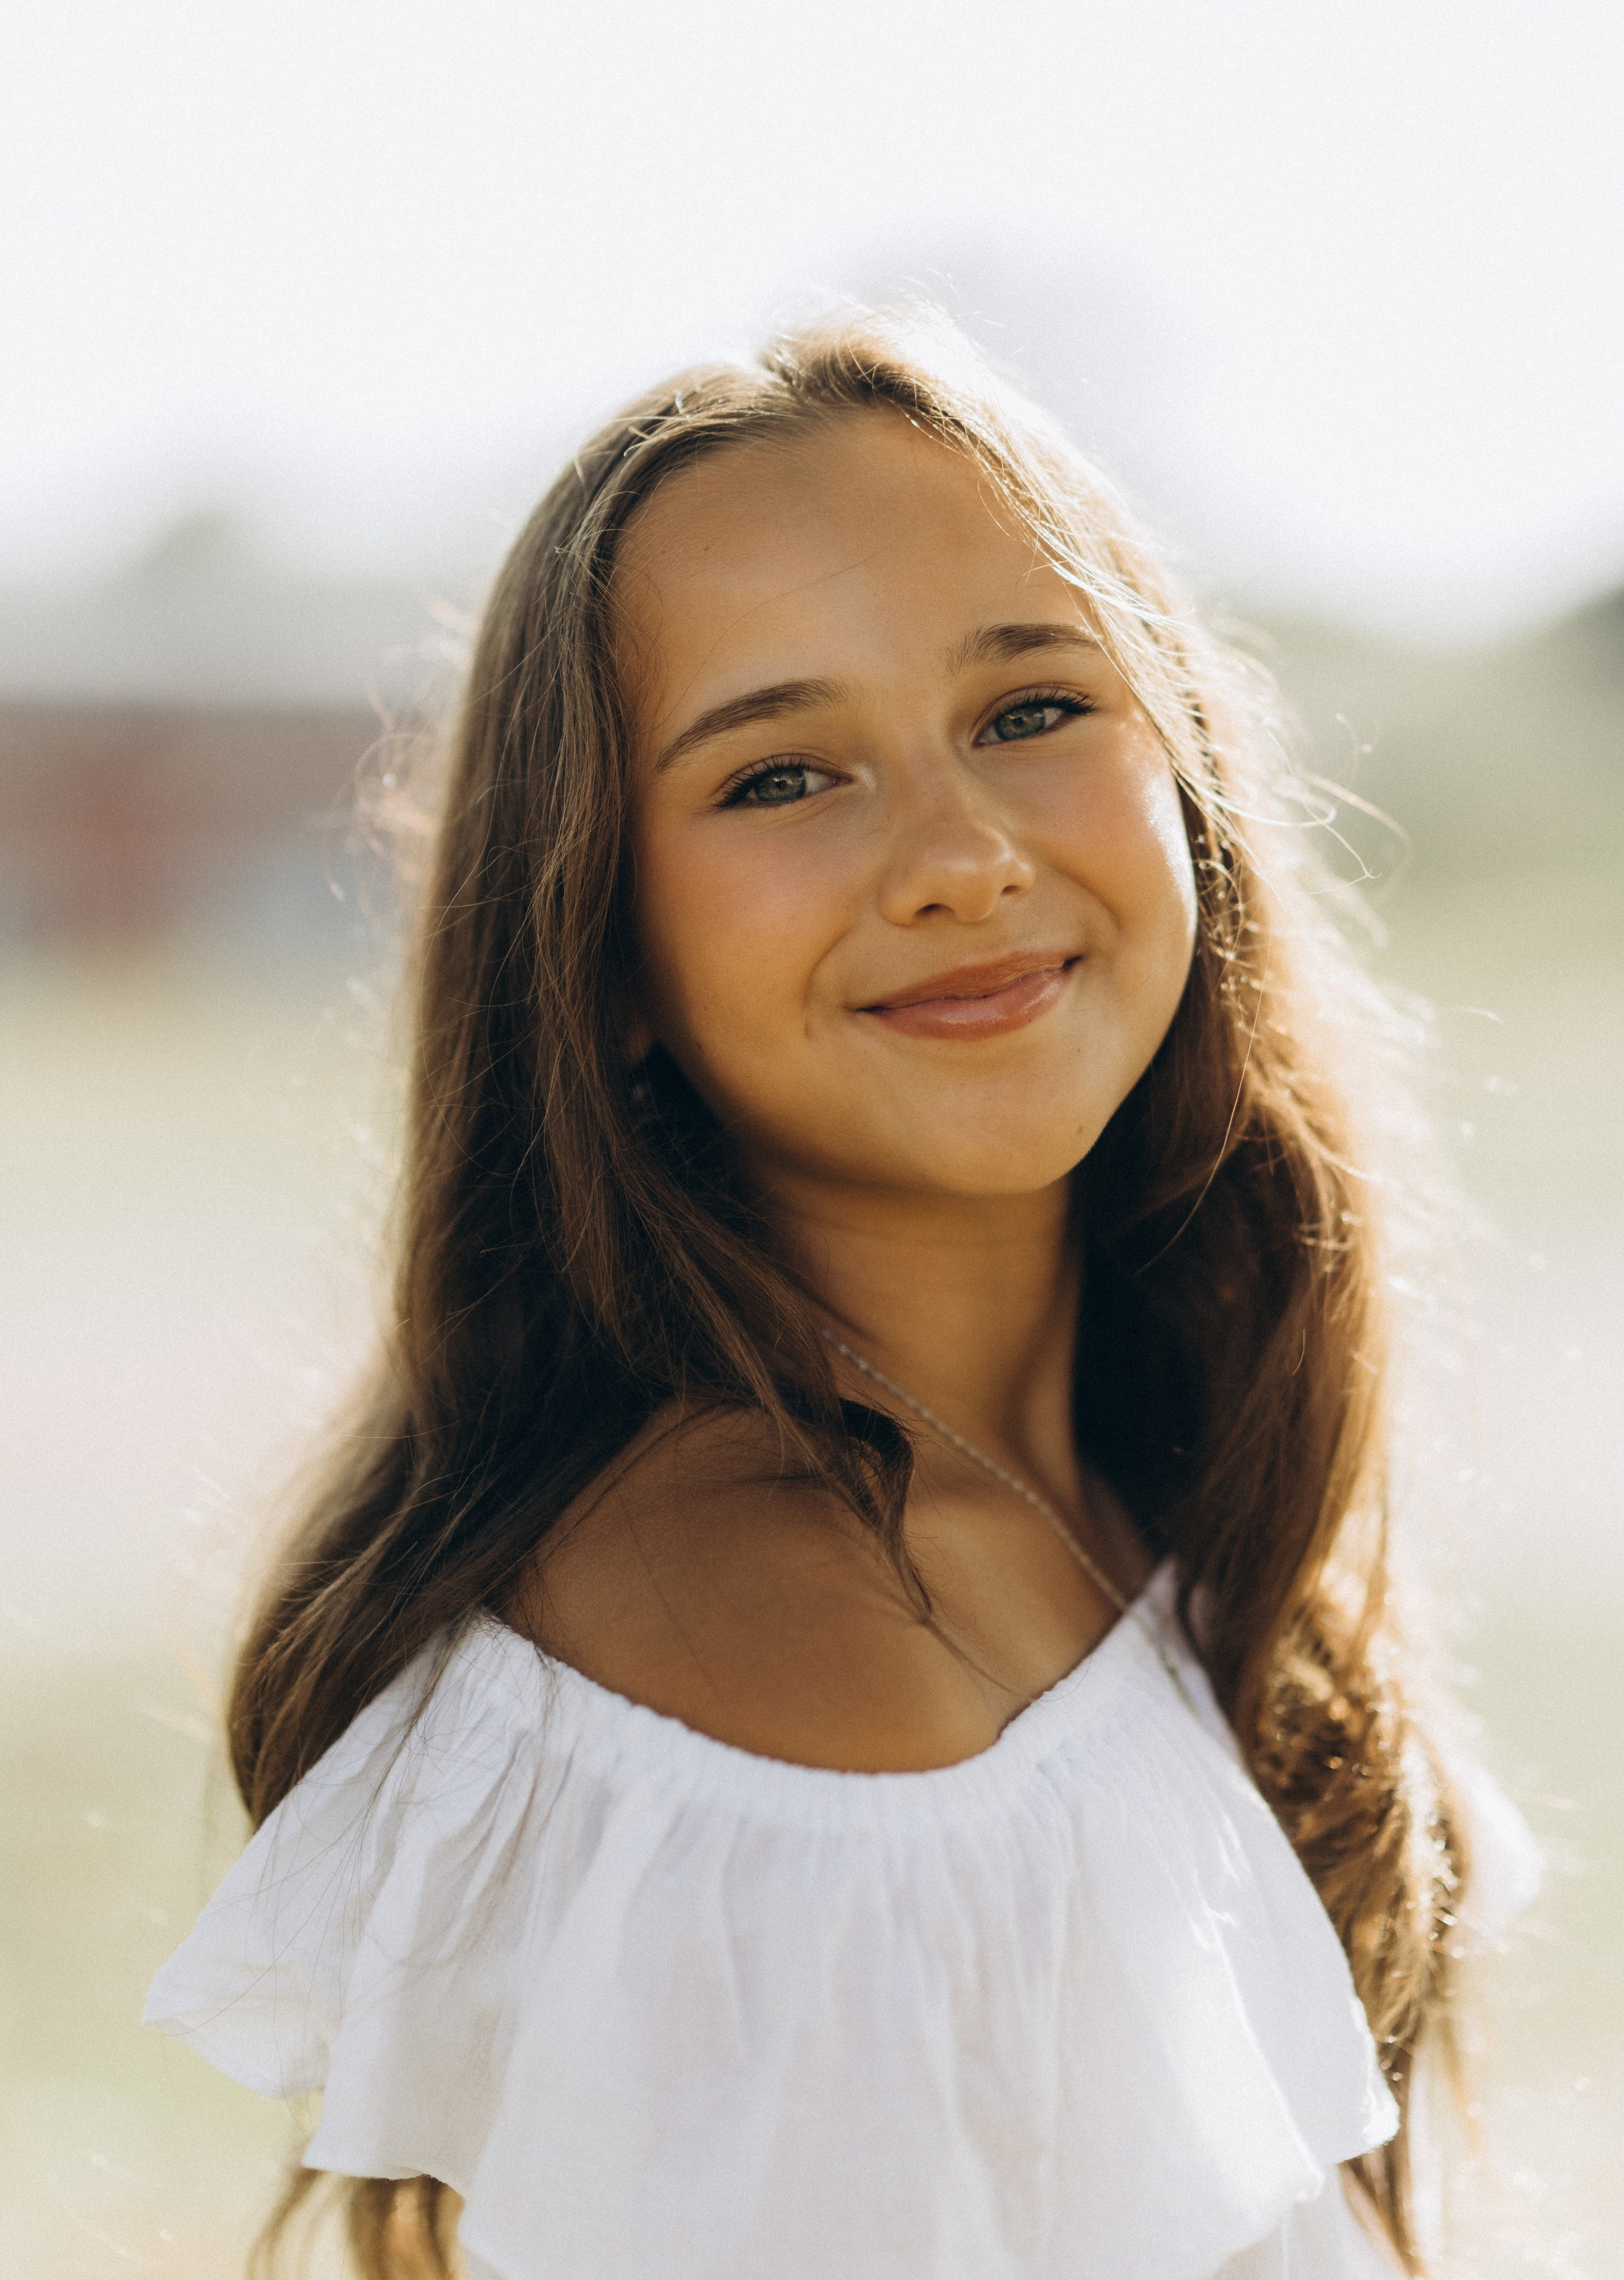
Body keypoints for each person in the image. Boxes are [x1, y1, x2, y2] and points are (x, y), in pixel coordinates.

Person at [145, 312, 1529, 2279]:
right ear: (601, 951)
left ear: (1192, 782)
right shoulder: (802, 1708)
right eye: (784, 775)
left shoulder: (1136, 1490)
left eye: (1033, 710)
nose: (961, 857)